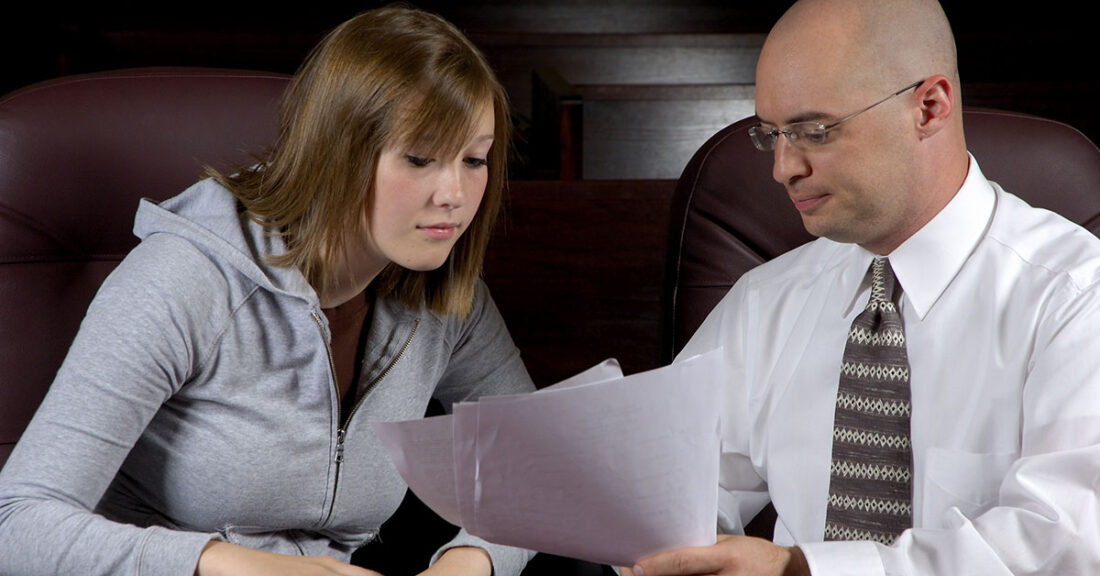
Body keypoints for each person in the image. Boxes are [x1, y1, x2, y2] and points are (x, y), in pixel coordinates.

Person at [0, 6, 535, 576]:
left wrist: (471, 562)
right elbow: (16, 524)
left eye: (474, 159)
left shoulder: (446, 296)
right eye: (420, 158)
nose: (454, 193)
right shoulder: (182, 280)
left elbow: (538, 464)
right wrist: (233, 565)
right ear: (338, 151)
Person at [625, 0, 1100, 575]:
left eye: (814, 132)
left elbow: (1068, 548)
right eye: (771, 134)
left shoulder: (1076, 297)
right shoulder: (765, 300)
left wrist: (798, 571)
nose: (782, 168)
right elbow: (661, 482)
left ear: (929, 107)